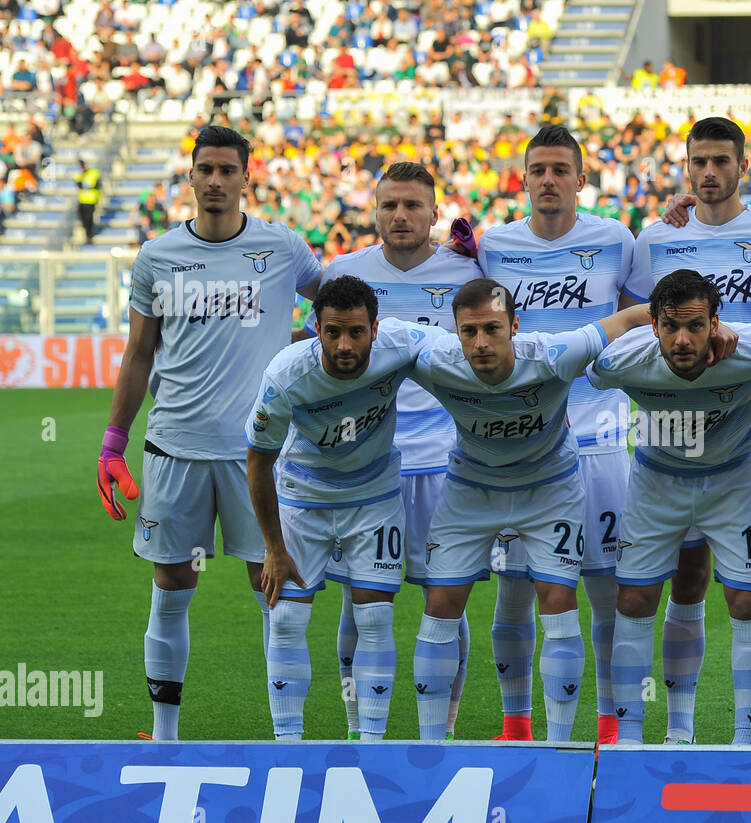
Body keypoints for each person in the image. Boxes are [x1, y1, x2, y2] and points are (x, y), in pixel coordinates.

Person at [97, 125, 322, 741]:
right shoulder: (157, 256)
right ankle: (164, 735)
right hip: (174, 449)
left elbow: (339, 309)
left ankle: (288, 739)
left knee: (270, 586)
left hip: (259, 454)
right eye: (207, 170)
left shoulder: (283, 249)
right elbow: (139, 353)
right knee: (171, 585)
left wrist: (297, 343)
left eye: (229, 169)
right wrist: (114, 441)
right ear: (191, 177)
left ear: (247, 177)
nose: (217, 180)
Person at [621, 116, 751, 745]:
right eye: (699, 162)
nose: (710, 172)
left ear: (744, 166)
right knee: (685, 576)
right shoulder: (655, 238)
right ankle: (679, 729)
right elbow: (633, 322)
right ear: (685, 168)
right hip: (676, 430)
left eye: (722, 161)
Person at [405, 279, 662, 741]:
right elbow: (370, 334)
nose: (481, 343)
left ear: (514, 326)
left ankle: (557, 748)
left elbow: (628, 318)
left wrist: (707, 329)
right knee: (440, 603)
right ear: (455, 332)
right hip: (471, 489)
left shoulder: (554, 353)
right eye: (469, 332)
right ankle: (431, 749)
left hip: (549, 490)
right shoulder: (434, 359)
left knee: (558, 598)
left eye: (492, 329)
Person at [303, 162, 483, 741]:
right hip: (363, 464)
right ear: (374, 210)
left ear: (435, 212)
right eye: (388, 206)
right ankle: (361, 724)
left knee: (446, 601)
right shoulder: (345, 273)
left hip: (444, 463)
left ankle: (443, 728)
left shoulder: (467, 271)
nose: (400, 216)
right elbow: (319, 360)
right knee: (360, 604)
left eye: (412, 206)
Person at [475, 124, 636, 744]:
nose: (548, 180)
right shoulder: (494, 246)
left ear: (580, 180)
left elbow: (647, 306)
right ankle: (518, 725)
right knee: (515, 590)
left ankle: (609, 725)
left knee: (604, 587)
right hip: (519, 445)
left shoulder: (615, 241)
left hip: (600, 441)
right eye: (537, 170)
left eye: (559, 170)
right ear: (524, 180)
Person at [587, 269, 751, 744]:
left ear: (716, 324)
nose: (682, 340)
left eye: (696, 326)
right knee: (636, 599)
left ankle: (748, 738)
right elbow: (593, 372)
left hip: (736, 482)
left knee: (747, 600)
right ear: (654, 325)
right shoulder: (624, 361)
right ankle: (639, 736)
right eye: (670, 326)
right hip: (657, 485)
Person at [246, 276, 427, 740]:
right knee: (285, 617)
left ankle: (371, 745)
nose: (344, 345)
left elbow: (467, 350)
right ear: (315, 328)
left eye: (356, 332)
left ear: (376, 328)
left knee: (375, 616)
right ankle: (287, 748)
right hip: (303, 498)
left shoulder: (403, 343)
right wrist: (272, 546)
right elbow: (257, 460)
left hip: (374, 497)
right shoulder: (286, 375)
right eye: (332, 333)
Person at [76, 158, 100, 243]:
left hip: (91, 200)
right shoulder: (81, 174)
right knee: (82, 218)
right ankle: (88, 234)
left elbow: (88, 185)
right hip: (82, 200)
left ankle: (90, 235)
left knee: (89, 219)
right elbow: (78, 184)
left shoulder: (93, 173)